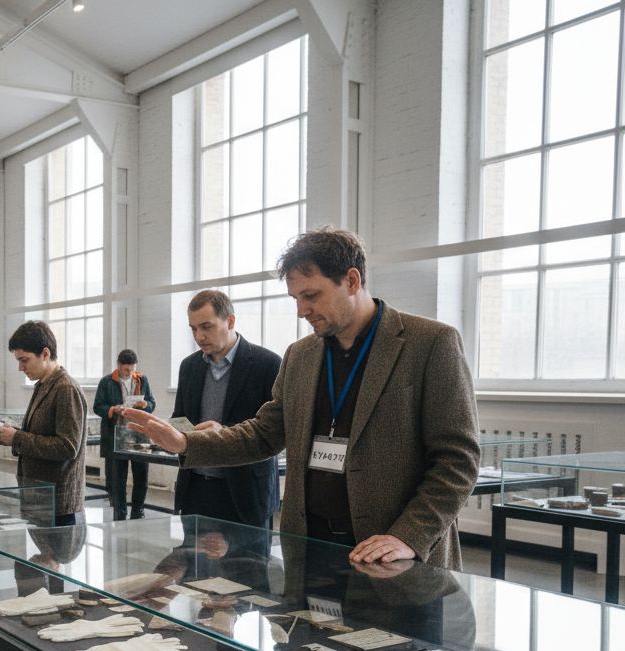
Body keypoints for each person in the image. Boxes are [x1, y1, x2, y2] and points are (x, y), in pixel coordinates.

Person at [126, 228, 481, 568]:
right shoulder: (301, 355)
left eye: (311, 296)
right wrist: (186, 442)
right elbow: (264, 433)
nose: (301, 310)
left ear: (352, 281)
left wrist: (408, 536)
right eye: (295, 298)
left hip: (392, 555)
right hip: (311, 549)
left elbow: (458, 460)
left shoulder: (429, 344)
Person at [171, 290, 281, 529]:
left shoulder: (268, 364)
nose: (199, 336)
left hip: (246, 493)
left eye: (206, 327)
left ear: (230, 321)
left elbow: (272, 430)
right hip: (196, 489)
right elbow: (180, 417)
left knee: (248, 555)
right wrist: (168, 433)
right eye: (193, 329)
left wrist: (222, 432)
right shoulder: (189, 366)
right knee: (194, 554)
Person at [0, 321, 87, 527]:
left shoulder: (65, 388)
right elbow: (39, 434)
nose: (20, 367)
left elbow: (68, 447)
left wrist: (17, 438)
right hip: (39, 497)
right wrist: (9, 436)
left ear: (45, 354)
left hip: (57, 503)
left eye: (24, 360)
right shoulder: (43, 385)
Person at [93, 349, 156, 520]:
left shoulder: (142, 380)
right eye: (127, 369)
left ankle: (138, 511)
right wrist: (114, 409)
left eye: (133, 369)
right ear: (119, 365)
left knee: (141, 475)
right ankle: (119, 513)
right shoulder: (106, 382)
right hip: (116, 434)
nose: (130, 373)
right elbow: (97, 407)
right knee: (117, 478)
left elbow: (152, 402)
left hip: (139, 433)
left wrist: (146, 405)